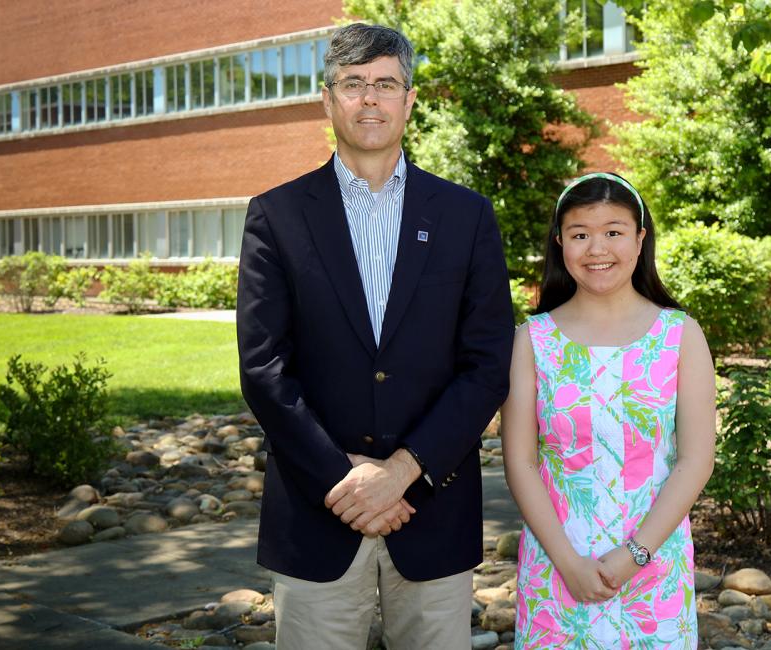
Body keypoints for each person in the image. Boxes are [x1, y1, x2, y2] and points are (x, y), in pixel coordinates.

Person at [236, 23, 514, 650]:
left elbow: (488, 362)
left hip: (432, 512)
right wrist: (344, 477)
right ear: (327, 100)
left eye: (386, 84)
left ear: (410, 100)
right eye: (353, 83)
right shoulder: (276, 215)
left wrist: (402, 473)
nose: (370, 99)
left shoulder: (465, 216)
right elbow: (263, 369)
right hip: (317, 513)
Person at [501, 172, 716, 648]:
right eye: (580, 235)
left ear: (640, 239)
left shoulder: (680, 336)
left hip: (654, 564)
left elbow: (696, 460)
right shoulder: (531, 340)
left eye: (614, 232)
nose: (597, 249)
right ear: (561, 244)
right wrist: (569, 563)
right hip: (557, 563)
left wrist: (634, 554)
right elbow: (520, 462)